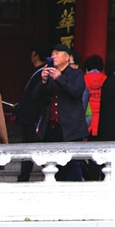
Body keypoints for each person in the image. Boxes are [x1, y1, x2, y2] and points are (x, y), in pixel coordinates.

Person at [33, 44, 87, 181]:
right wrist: (43, 80)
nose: (53, 57)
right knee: (53, 164)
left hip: (70, 127)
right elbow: (35, 97)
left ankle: (74, 191)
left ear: (67, 58)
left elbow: (76, 92)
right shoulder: (49, 74)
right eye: (52, 54)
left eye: (57, 54)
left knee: (72, 163)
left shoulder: (77, 74)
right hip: (52, 127)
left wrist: (60, 79)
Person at [12, 44, 47, 181]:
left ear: (36, 56)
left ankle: (25, 176)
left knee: (32, 147)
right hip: (29, 116)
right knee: (27, 147)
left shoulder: (42, 73)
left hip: (34, 117)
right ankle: (24, 175)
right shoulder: (36, 72)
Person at [83, 55, 106, 139]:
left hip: (87, 116)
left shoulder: (83, 78)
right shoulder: (106, 79)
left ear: (86, 68)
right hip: (102, 117)